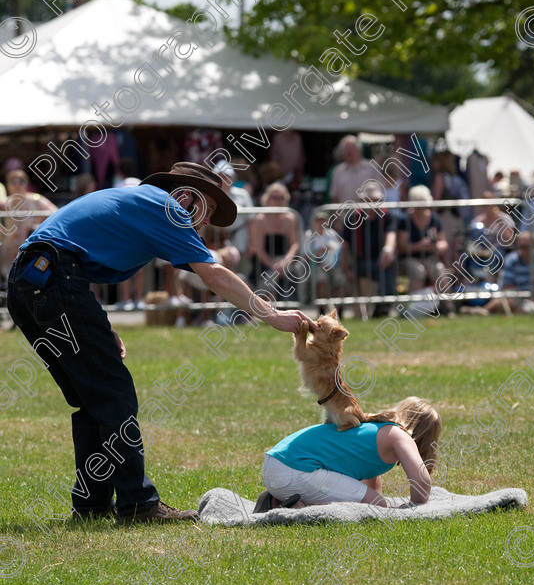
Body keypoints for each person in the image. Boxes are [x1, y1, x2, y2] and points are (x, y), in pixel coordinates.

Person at [7, 162, 317, 524]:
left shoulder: (144, 203)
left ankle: (92, 506)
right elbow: (214, 274)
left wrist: (99, 327)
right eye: (208, 210)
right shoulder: (167, 209)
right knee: (112, 394)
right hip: (51, 279)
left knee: (94, 397)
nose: (203, 222)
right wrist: (272, 315)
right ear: (187, 196)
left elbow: (71, 255)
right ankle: (138, 505)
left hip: (30, 283)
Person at [256, 397, 441, 511]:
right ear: (425, 439)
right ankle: (286, 507)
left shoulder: (376, 430)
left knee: (375, 502)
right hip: (292, 471)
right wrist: (416, 505)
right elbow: (421, 480)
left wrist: (372, 499)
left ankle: (278, 498)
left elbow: (368, 479)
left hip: (278, 464)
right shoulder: (399, 436)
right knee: (379, 506)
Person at [342, 180, 397, 319]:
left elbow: (391, 234)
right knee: (376, 269)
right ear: (363, 200)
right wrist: (346, 268)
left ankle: (383, 304)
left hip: (381, 260)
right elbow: (344, 246)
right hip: (359, 262)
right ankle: (382, 304)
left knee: (388, 264)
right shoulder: (353, 218)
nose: (374, 203)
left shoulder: (386, 216)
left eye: (376, 200)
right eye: (371, 200)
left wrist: (388, 250)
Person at [0, 168, 58, 283]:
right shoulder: (5, 202)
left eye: (21, 181)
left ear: (27, 182)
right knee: (10, 281)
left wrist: (39, 226)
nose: (17, 184)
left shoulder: (36, 199)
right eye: (13, 181)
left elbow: (56, 214)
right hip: (9, 249)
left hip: (31, 246)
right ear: (8, 185)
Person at [246, 182, 300, 299]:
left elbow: (294, 244)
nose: (278, 201)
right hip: (265, 263)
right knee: (268, 281)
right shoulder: (261, 219)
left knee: (296, 273)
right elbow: (259, 249)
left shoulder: (290, 218)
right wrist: (272, 265)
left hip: (285, 262)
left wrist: (285, 261)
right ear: (268, 199)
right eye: (274, 197)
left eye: (281, 197)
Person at [397, 185, 448, 292]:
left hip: (429, 258)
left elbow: (443, 242)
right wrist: (420, 246)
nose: (421, 209)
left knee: (440, 271)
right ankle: (415, 307)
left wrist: (437, 246)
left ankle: (447, 306)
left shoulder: (435, 219)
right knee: (418, 272)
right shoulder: (405, 220)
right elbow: (401, 246)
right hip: (409, 258)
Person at [485, 231, 534, 314]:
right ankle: (482, 311)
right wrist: (526, 296)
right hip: (516, 295)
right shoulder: (512, 259)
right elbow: (507, 285)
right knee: (508, 301)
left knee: (526, 310)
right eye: (520, 247)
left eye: (526, 247)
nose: (522, 250)